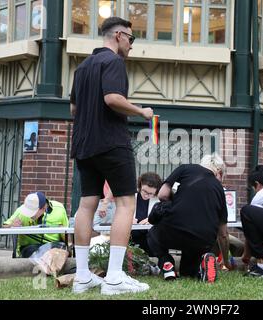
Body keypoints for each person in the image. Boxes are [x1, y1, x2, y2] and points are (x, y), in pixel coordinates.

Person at [69, 16, 153, 295]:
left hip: (83, 144)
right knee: (127, 204)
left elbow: (73, 110)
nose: (131, 45)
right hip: (111, 143)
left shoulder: (81, 69)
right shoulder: (113, 61)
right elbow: (112, 99)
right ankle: (115, 277)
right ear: (118, 36)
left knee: (86, 205)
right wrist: (142, 111)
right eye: (131, 38)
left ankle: (82, 277)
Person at [147, 154, 231, 282]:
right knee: (187, 273)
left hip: (174, 231)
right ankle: (203, 265)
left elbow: (162, 195)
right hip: (203, 241)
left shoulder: (186, 169)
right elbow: (223, 233)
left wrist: (176, 201)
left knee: (153, 233)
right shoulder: (219, 189)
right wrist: (225, 261)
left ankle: (166, 264)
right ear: (219, 172)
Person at [3, 192, 69, 258]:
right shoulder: (21, 211)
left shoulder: (59, 209)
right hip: (30, 248)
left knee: (58, 250)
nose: (29, 214)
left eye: (33, 211)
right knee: (37, 254)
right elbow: (4, 227)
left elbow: (66, 235)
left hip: (52, 247)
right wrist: (11, 225)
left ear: (44, 208)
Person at [130, 172, 162, 255]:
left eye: (150, 193)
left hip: (150, 238)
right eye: (144, 191)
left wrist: (152, 219)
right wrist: (128, 218)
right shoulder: (130, 196)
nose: (146, 195)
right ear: (140, 185)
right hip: (131, 237)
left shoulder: (159, 200)